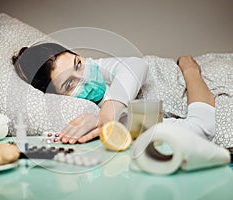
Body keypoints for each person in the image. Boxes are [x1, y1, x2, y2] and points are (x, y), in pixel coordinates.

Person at [12, 42, 215, 144]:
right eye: (69, 85)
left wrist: (110, 108)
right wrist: (191, 71)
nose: (86, 77)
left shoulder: (98, 67)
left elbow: (136, 65)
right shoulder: (117, 121)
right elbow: (203, 127)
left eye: (78, 64)